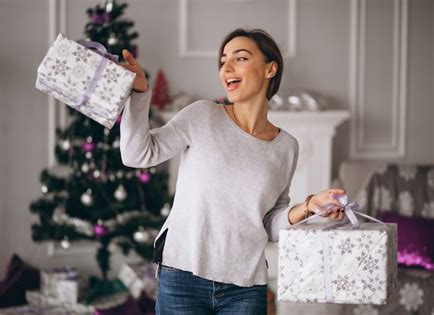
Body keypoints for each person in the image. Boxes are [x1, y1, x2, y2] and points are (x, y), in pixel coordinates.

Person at [118, 28, 346, 314]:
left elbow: (269, 224)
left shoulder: (286, 146)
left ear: (270, 68)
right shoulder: (201, 115)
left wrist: (310, 206)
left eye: (240, 58)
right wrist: (140, 93)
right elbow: (137, 154)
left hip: (245, 288)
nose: (226, 67)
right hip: (183, 277)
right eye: (223, 61)